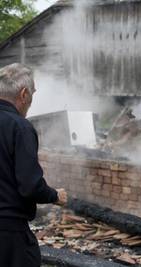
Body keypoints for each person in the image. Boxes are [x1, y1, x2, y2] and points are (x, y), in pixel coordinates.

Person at [0, 63, 67, 267]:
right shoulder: (20, 127)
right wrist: (54, 195)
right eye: (32, 95)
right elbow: (30, 186)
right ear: (24, 94)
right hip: (8, 235)